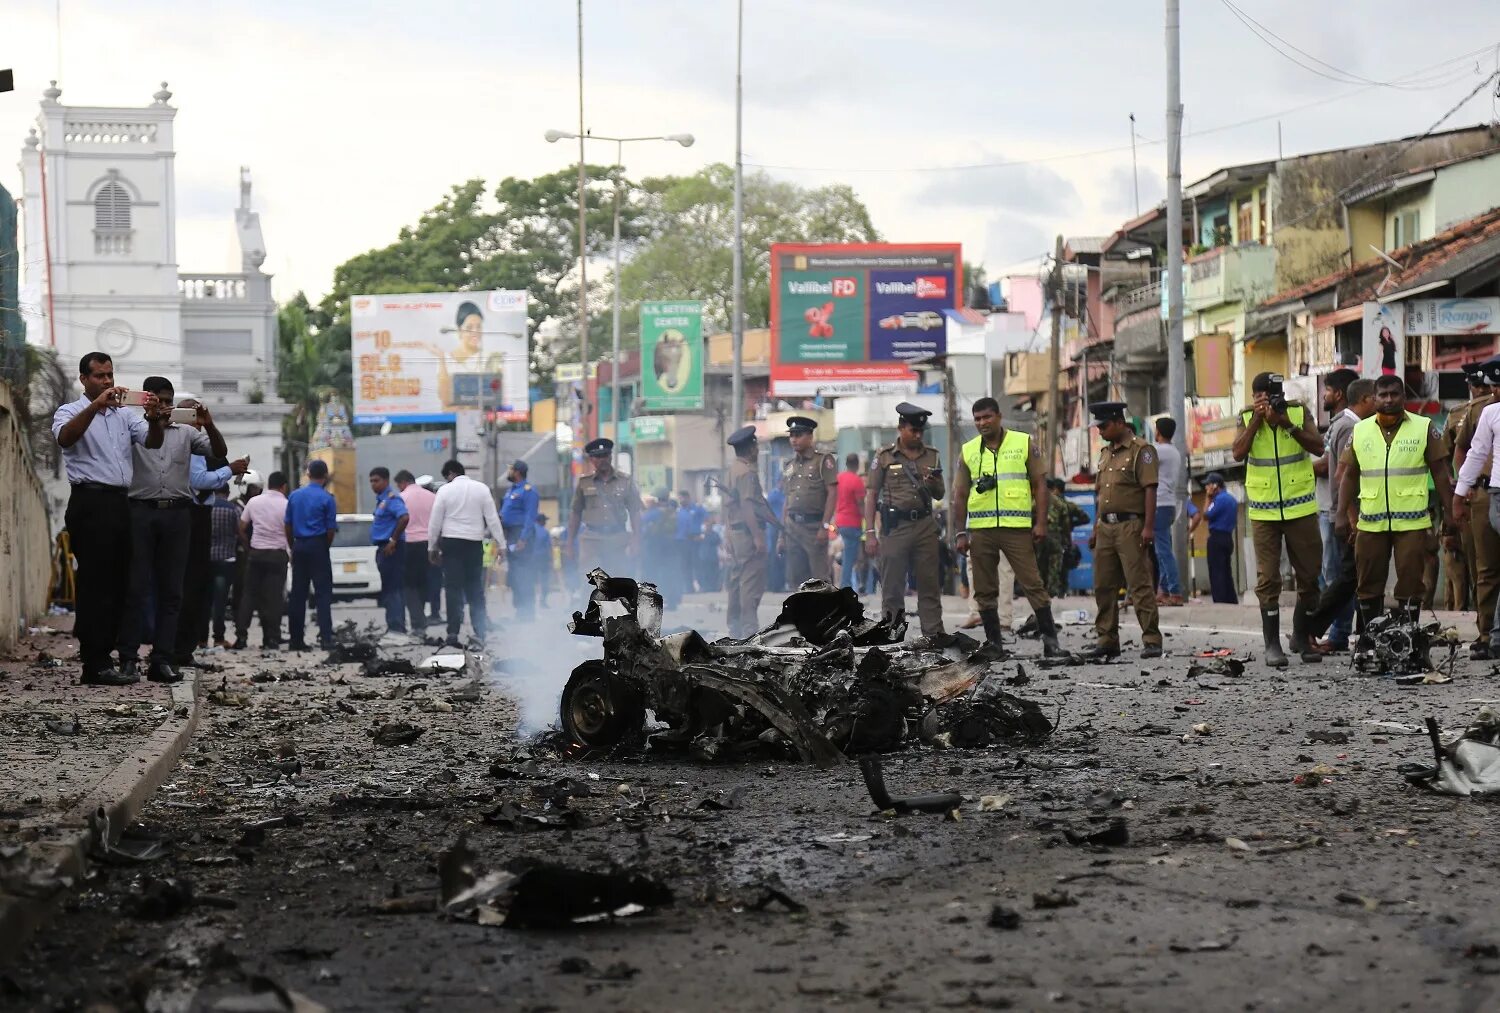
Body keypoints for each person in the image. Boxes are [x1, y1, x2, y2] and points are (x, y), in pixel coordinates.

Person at [52, 352, 166, 685]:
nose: (107, 382)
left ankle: (107, 657)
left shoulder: (122, 415)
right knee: (94, 583)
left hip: (119, 503)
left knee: (119, 583)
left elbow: (152, 442)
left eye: (110, 376)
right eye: (100, 376)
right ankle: (94, 662)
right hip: (89, 501)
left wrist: (155, 417)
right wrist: (96, 405)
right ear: (84, 379)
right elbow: (65, 438)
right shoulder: (70, 411)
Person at [113, 377, 230, 683]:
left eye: (169, 400)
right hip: (140, 511)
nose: (165, 406)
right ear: (147, 400)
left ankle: (163, 659)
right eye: (159, 400)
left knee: (172, 590)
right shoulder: (133, 428)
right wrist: (152, 419)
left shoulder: (187, 433)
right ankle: (128, 657)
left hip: (178, 514)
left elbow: (218, 452)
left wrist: (209, 423)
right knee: (136, 587)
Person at [1342, 373, 1453, 641]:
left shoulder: (1424, 427)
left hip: (1412, 523)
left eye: (1394, 394)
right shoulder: (1360, 430)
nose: (1389, 399)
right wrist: (1341, 514)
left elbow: (1440, 473)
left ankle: (1407, 641)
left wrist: (1450, 512)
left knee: (1411, 583)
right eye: (1383, 394)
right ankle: (1372, 641)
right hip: (1370, 522)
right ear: (1375, 397)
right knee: (1368, 583)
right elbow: (1348, 475)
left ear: (1403, 397)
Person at [1230, 371, 1326, 668]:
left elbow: (1318, 446)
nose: (1268, 400)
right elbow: (1237, 453)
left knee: (1310, 576)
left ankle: (1301, 634)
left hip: (1301, 509)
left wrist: (1286, 424)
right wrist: (1258, 420)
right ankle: (1272, 644)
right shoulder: (1247, 418)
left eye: (1272, 394)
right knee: (1268, 578)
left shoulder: (1297, 411)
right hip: (1264, 511)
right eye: (1261, 395)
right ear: (1254, 398)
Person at [951, 398, 1061, 656]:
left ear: (999, 416)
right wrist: (959, 532)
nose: (982, 423)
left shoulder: (1023, 443)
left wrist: (1041, 522)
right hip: (981, 530)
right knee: (984, 588)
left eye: (987, 417)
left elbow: (1040, 485)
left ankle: (1051, 643)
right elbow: (960, 494)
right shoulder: (968, 451)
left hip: (1017, 528)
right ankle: (994, 644)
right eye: (977, 419)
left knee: (1033, 583)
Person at [1083, 402, 1163, 660]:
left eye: (1104, 426)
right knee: (1103, 586)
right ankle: (1107, 639)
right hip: (1106, 526)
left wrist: (1148, 527)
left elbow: (1150, 489)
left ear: (1119, 422)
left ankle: (1151, 639)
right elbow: (1102, 496)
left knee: (1138, 584)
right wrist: (1096, 526)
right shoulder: (1105, 453)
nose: (1100, 431)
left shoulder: (1142, 451)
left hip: (1131, 526)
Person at [866, 402, 948, 642]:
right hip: (894, 528)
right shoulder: (883, 456)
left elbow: (940, 493)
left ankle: (933, 635)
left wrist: (931, 481)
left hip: (924, 526)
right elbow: (871, 494)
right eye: (913, 430)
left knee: (929, 585)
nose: (918, 435)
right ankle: (892, 633)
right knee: (892, 586)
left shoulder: (932, 455)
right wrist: (870, 532)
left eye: (921, 431)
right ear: (901, 427)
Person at [1304, 379, 1376, 645]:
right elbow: (1343, 474)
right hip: (1349, 515)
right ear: (1366, 399)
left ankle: (1358, 634)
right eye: (1377, 397)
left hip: (1347, 513)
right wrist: (1349, 514)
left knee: (1356, 577)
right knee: (1347, 577)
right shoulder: (1351, 426)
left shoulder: (1343, 424)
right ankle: (1321, 630)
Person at [429, 459, 505, 647]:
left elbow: (435, 522)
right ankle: (479, 633)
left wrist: (432, 547)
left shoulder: (445, 491)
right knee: (475, 589)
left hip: (451, 544)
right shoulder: (482, 489)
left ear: (450, 474)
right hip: (473, 544)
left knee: (453, 589)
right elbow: (492, 519)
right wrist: (502, 544)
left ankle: (453, 634)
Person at [1452, 358, 1500, 656]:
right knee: (1487, 569)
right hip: (1490, 495)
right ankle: (1488, 635)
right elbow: (1471, 452)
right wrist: (1460, 493)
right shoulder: (1486, 413)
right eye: (1491, 386)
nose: (1492, 392)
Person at [1311, 368, 1361, 650]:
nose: (1324, 396)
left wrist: (1298, 470)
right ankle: (1339, 632)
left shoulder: (1347, 426)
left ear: (1339, 393)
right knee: (1337, 574)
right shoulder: (1339, 423)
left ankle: (1339, 634)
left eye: (1327, 390)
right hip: (1331, 509)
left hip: (1336, 511)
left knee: (1338, 576)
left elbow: (1336, 469)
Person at [724, 426, 778, 638]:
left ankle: (734, 629)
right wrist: (758, 537)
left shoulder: (733, 469)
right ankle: (748, 631)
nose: (757, 449)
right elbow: (746, 505)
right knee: (750, 585)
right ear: (751, 447)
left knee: (737, 583)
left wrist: (728, 533)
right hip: (747, 534)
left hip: (737, 534)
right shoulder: (747, 473)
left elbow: (729, 505)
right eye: (756, 445)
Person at [1441, 363, 1486, 614]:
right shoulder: (1457, 415)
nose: (1481, 390)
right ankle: (1483, 620)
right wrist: (1455, 483)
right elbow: (1444, 457)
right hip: (1468, 496)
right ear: (1469, 386)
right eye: (1476, 385)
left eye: (1485, 385)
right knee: (1472, 562)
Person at [566, 438, 641, 581]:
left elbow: (635, 511)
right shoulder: (584, 483)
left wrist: (636, 539)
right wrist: (569, 542)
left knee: (619, 582)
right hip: (591, 539)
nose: (602, 459)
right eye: (598, 456)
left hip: (617, 538)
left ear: (611, 457)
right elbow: (575, 513)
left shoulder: (625, 481)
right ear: (591, 459)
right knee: (590, 583)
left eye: (605, 455)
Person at [776, 417, 837, 588]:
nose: (794, 439)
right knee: (796, 578)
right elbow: (787, 501)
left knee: (819, 580)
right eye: (792, 435)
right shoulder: (789, 465)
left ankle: (825, 614)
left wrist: (824, 526)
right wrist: (781, 535)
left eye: (798, 435)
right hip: (793, 527)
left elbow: (832, 493)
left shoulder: (823, 461)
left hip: (814, 527)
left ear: (810, 437)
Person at [284, 459, 339, 651]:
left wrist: (292, 546)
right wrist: (324, 546)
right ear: (325, 476)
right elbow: (331, 530)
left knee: (298, 595)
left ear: (308, 475)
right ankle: (326, 639)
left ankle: (296, 640)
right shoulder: (327, 499)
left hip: (299, 546)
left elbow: (288, 525)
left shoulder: (294, 496)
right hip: (318, 546)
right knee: (323, 594)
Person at [236, 470, 290, 650]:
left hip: (256, 553)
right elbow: (290, 530)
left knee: (249, 595)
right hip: (277, 554)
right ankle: (271, 639)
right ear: (283, 486)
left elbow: (242, 528)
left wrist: (249, 546)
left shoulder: (254, 502)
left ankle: (241, 637)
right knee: (273, 598)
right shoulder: (286, 504)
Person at [368, 466, 410, 638]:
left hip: (392, 548)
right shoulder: (382, 499)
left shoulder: (392, 498)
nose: (373, 484)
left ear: (385, 481)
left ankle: (396, 627)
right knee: (389, 589)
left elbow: (404, 517)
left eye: (376, 480)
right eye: (371, 481)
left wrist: (393, 540)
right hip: (384, 548)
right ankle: (394, 626)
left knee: (393, 590)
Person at [394, 470, 436, 636]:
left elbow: (399, 520)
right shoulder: (431, 497)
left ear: (403, 482)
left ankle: (418, 623)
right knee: (424, 582)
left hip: (409, 544)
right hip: (428, 544)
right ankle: (422, 616)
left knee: (409, 585)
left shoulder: (401, 498)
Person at [1189, 472, 1240, 604]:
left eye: (1208, 485)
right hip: (1228, 538)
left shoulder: (1219, 500)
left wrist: (1208, 497)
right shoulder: (1232, 499)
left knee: (1216, 572)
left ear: (1215, 486)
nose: (1206, 488)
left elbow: (1206, 514)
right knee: (1226, 571)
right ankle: (1231, 599)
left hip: (1217, 538)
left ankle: (1220, 600)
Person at [500, 460, 540, 621]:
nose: (508, 473)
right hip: (510, 534)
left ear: (518, 472)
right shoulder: (511, 490)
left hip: (521, 534)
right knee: (515, 575)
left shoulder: (528, 491)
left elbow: (530, 517)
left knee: (524, 575)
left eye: (511, 470)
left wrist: (523, 538)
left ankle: (527, 613)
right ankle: (520, 611)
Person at [1152, 417, 1185, 607]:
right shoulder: (1173, 451)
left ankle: (1174, 591)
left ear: (1159, 432)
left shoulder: (1160, 450)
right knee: (1162, 549)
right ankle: (1163, 591)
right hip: (1169, 504)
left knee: (1163, 551)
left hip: (1160, 503)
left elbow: (1140, 455)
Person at [1040, 477, 1089, 598]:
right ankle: (1059, 591)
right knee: (1058, 566)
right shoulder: (1067, 505)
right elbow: (1084, 518)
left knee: (1047, 565)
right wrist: (1071, 527)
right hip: (1060, 538)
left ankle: (1050, 591)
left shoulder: (1044, 502)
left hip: (1049, 537)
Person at [207, 486, 243, 648]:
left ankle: (201, 638)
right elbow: (239, 531)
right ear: (228, 493)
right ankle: (218, 637)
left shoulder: (207, 508)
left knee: (204, 600)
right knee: (220, 601)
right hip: (226, 559)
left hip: (207, 559)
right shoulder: (233, 509)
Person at [833, 453, 867, 592]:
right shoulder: (857, 481)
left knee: (849, 555)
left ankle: (849, 585)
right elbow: (860, 504)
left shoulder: (839, 478)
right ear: (857, 465)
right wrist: (867, 519)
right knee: (850, 557)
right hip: (853, 522)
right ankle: (845, 586)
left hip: (840, 520)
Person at [674, 490, 707, 596]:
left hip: (695, 539)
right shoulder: (679, 511)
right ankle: (689, 588)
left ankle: (702, 585)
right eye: (679, 498)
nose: (681, 500)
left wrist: (703, 534)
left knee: (697, 563)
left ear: (688, 498)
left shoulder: (697, 508)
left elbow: (707, 520)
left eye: (682, 498)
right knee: (685, 565)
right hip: (682, 541)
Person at [532, 512, 554, 607]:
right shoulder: (545, 532)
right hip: (543, 558)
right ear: (541, 521)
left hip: (531, 558)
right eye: (544, 521)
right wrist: (551, 560)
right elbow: (549, 547)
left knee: (531, 580)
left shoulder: (530, 530)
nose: (545, 522)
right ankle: (543, 601)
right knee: (544, 580)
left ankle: (529, 602)